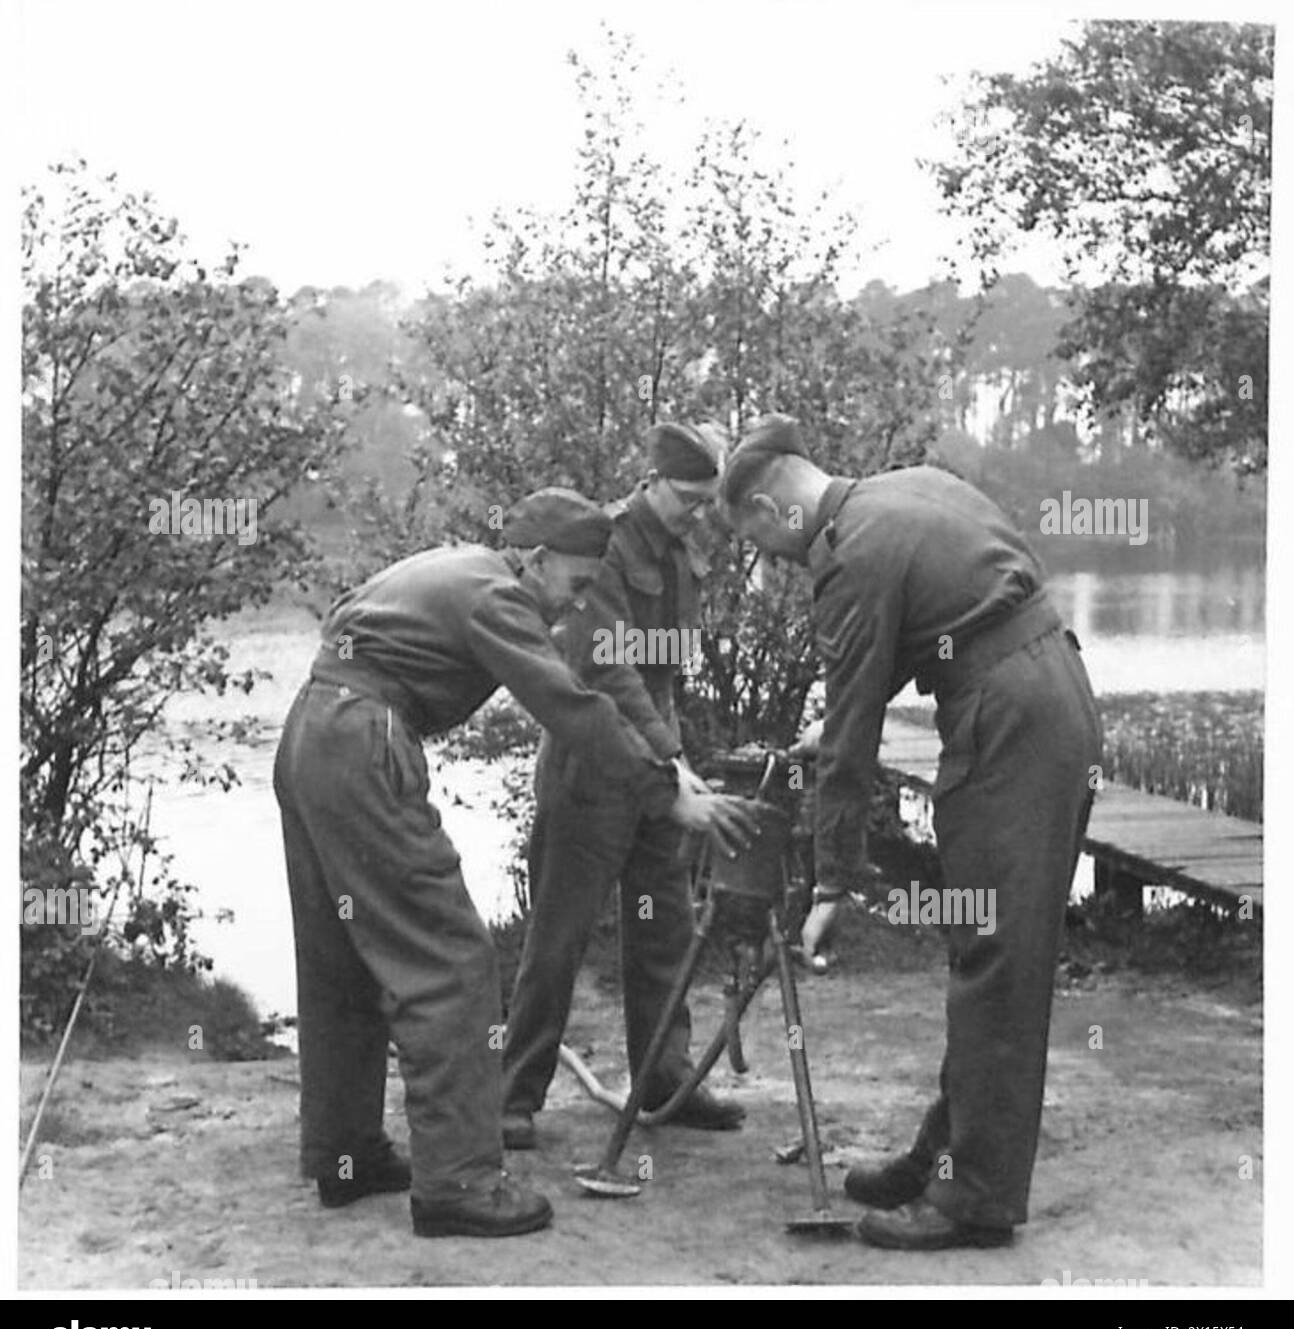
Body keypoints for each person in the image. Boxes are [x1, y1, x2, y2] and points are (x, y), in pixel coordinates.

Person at [273, 487, 752, 1239]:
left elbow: (345, 614)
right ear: (535, 560)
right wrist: (666, 790)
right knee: (451, 961)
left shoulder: (459, 568)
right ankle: (458, 1183)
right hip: (365, 742)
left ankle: (345, 1154)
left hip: (312, 732)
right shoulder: (498, 598)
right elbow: (570, 702)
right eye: (575, 584)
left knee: (341, 957)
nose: (572, 606)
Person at [721, 416, 1102, 1251]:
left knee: (994, 954)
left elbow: (853, 743)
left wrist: (831, 883)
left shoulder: (850, 555)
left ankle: (977, 1202)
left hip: (1009, 721)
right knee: (988, 948)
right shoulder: (906, 489)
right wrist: (839, 720)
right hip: (1048, 692)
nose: (771, 563)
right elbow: (952, 611)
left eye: (755, 540)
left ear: (767, 506)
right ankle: (942, 1159)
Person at [502, 425, 747, 1149]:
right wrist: (669, 760)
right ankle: (514, 1096)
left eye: (709, 504)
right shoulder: (598, 545)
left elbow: (664, 673)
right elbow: (606, 671)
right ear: (651, 480)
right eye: (689, 499)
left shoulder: (680, 550)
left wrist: (674, 759)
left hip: (659, 762)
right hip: (595, 768)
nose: (698, 515)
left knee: (664, 926)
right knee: (558, 937)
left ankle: (664, 1081)